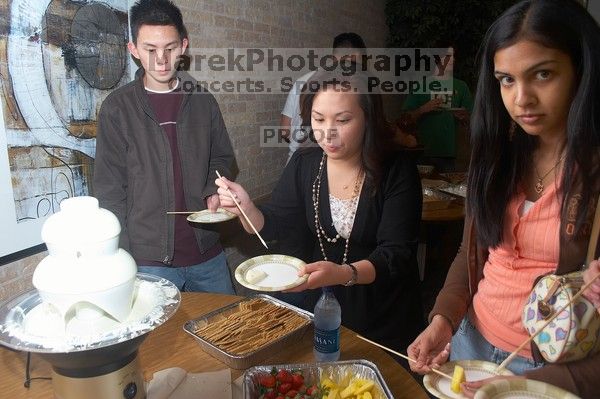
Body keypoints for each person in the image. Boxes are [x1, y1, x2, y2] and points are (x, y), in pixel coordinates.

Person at [407, 0, 600, 397]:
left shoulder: (593, 174)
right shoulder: (498, 153)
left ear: (581, 70)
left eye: (542, 74)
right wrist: (443, 318)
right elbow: (473, 249)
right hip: (470, 342)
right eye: (506, 80)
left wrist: (523, 384)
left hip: (545, 371)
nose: (521, 98)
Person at [217, 68, 425, 357]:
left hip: (381, 310)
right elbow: (277, 223)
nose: (328, 133)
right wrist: (247, 208)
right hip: (322, 306)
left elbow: (397, 254)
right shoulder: (306, 163)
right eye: (318, 119)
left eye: (342, 120)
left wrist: (342, 273)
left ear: (368, 118)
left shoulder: (396, 169)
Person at [93, 0, 236, 294]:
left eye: (170, 48)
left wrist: (212, 187)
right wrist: (120, 256)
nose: (161, 60)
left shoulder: (202, 100)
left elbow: (223, 156)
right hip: (148, 261)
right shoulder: (117, 109)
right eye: (150, 49)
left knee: (229, 331)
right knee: (159, 341)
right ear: (133, 49)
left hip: (206, 250)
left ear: (184, 46)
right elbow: (109, 190)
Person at [280, 32, 367, 162]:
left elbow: (284, 131)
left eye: (342, 120)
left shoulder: (301, 81)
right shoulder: (358, 88)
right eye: (319, 119)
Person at [401, 43, 473, 172]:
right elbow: (404, 119)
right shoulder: (422, 85)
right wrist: (423, 109)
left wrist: (464, 116)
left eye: (453, 56)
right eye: (448, 56)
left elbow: (473, 119)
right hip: (422, 151)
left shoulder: (461, 86)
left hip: (449, 154)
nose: (453, 59)